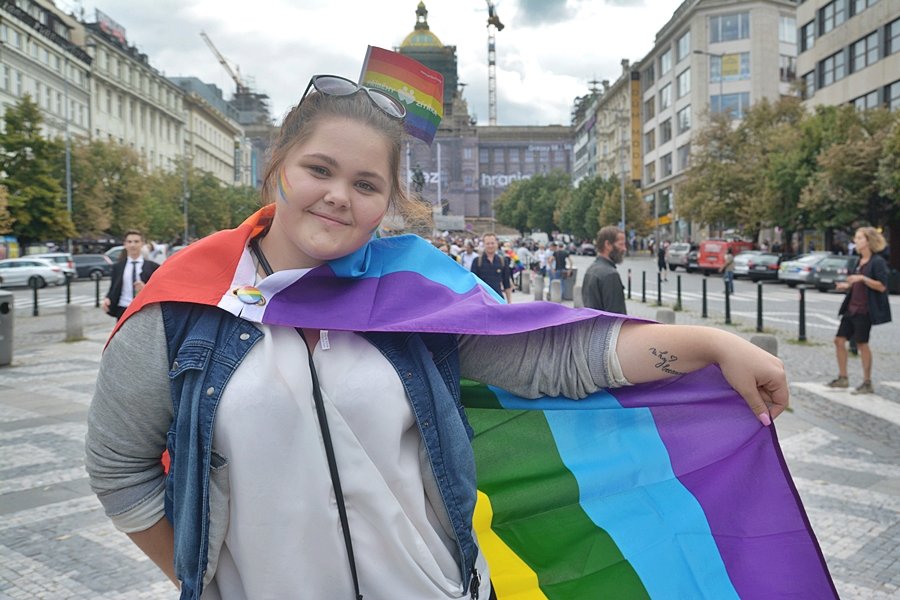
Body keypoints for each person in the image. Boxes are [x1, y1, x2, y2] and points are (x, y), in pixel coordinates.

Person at [84, 73, 789, 600]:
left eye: (366, 183)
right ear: (278, 168)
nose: (338, 195)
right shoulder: (184, 304)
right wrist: (203, 579)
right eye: (319, 170)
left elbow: (557, 358)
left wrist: (706, 344)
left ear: (389, 201)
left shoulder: (419, 292)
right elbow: (119, 471)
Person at [827, 227, 892, 394]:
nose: (856, 241)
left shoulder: (877, 262)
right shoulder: (859, 261)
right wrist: (847, 285)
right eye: (856, 238)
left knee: (862, 344)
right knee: (839, 340)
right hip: (851, 308)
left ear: (868, 241)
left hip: (865, 310)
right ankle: (843, 377)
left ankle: (867, 382)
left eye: (859, 238)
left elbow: (882, 286)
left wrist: (862, 278)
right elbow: (856, 282)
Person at [102, 229, 160, 320]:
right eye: (129, 242)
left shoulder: (153, 267)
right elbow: (113, 288)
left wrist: (145, 289)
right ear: (125, 244)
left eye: (136, 242)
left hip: (144, 310)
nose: (133, 245)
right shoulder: (118, 267)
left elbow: (159, 291)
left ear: (142, 244)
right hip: (123, 309)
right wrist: (107, 299)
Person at [582, 226, 627, 314]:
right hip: (606, 327)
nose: (624, 248)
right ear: (608, 245)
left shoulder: (591, 269)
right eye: (621, 244)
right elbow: (617, 316)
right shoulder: (610, 274)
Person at [470, 232, 513, 303]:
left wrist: (509, 302)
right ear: (484, 244)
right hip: (482, 300)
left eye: (492, 243)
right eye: (488, 243)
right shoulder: (477, 261)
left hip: (498, 299)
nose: (490, 246)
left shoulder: (502, 261)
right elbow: (473, 284)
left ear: (497, 244)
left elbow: (506, 283)